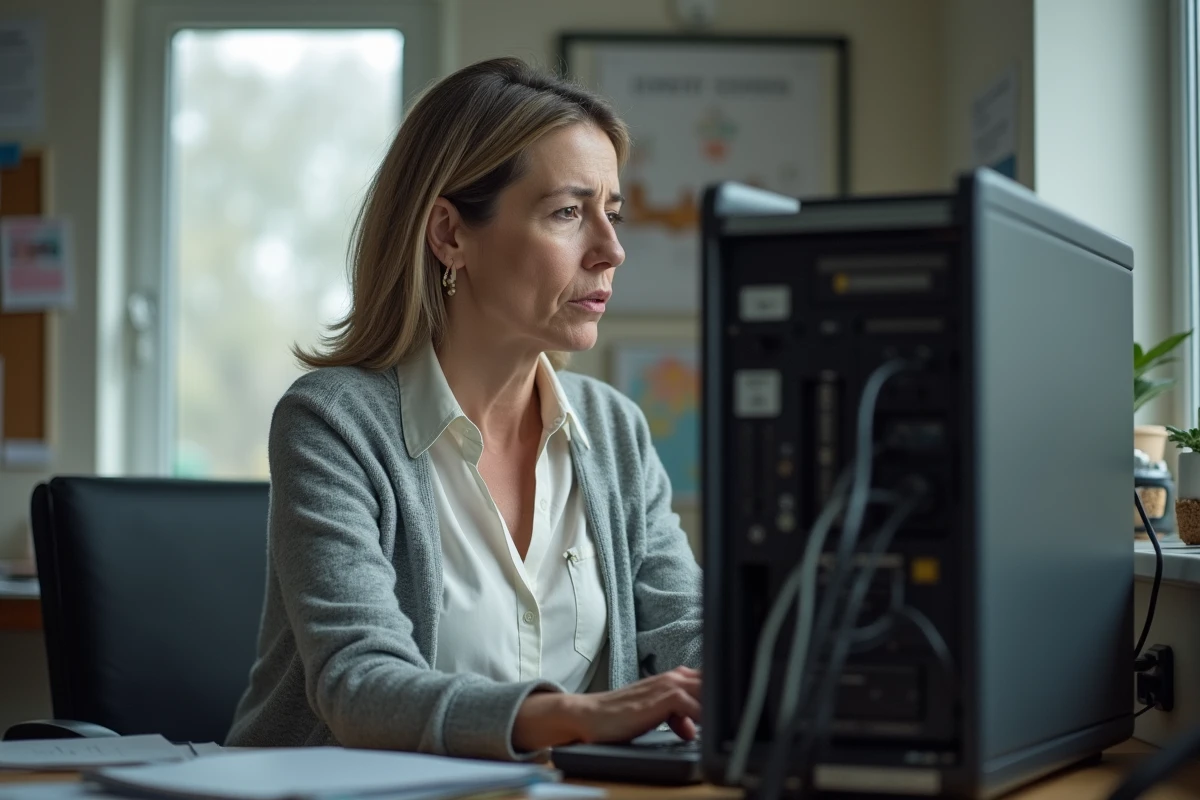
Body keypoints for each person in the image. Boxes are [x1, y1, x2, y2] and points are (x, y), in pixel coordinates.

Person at [225, 57, 702, 761]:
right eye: (568, 213)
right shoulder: (332, 422)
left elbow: (684, 623)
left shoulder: (613, 429)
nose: (611, 250)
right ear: (450, 234)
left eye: (613, 213)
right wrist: (574, 717)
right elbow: (359, 684)